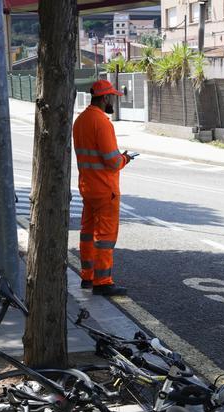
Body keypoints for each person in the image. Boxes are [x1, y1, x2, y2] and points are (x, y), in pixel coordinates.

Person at [72, 79, 134, 297]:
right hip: (105, 189)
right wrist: (125, 158)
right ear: (105, 98)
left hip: (87, 187)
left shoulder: (80, 121)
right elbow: (112, 161)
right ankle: (103, 281)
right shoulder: (102, 122)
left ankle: (87, 276)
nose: (113, 102)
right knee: (105, 236)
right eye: (112, 97)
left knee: (87, 233)